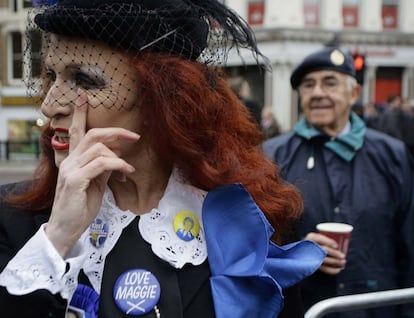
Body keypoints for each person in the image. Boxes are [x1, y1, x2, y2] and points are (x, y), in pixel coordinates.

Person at [0, 1, 325, 317]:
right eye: (52, 76)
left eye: (84, 80)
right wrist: (57, 237)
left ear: (162, 97)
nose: (51, 104)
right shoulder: (15, 220)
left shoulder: (248, 216)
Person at [263, 46, 414, 318]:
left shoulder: (393, 155)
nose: (318, 93)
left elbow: (409, 245)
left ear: (354, 93)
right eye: (309, 85)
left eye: (329, 83)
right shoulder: (271, 157)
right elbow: (252, 248)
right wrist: (298, 254)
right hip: (303, 308)